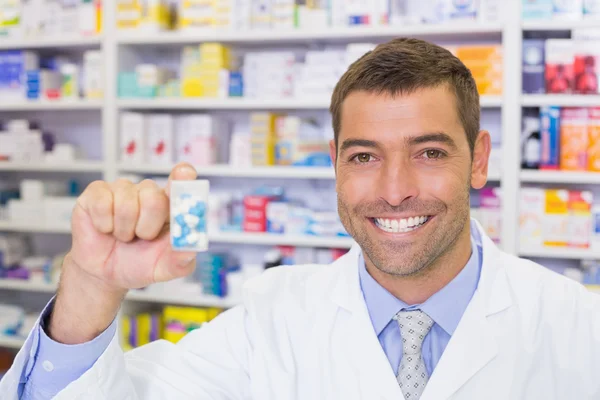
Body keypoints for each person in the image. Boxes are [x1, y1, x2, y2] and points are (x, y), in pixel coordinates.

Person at [2, 38, 600, 400]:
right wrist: (92, 286)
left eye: (429, 152)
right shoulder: (270, 317)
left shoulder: (576, 324)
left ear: (480, 161)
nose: (394, 192)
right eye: (364, 156)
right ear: (336, 164)